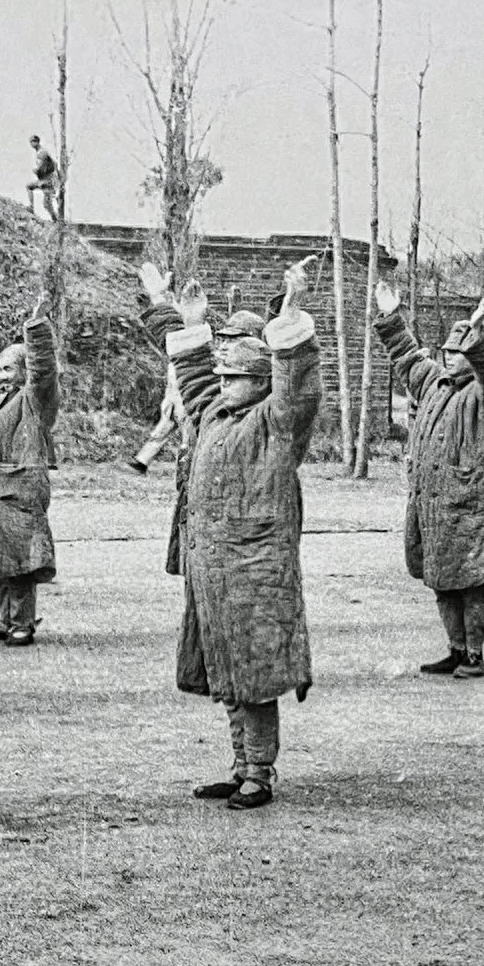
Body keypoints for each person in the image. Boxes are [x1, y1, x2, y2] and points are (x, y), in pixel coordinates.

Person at [165, 256, 321, 811]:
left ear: (261, 382)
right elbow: (192, 382)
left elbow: (299, 383)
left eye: (235, 378)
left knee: (254, 677)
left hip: (255, 573)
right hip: (214, 574)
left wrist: (292, 312)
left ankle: (260, 773)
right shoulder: (215, 414)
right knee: (227, 673)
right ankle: (239, 767)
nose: (224, 384)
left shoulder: (277, 422)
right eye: (223, 376)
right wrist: (191, 323)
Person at [374, 280, 484, 679]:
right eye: (446, 351)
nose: (449, 357)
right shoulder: (432, 384)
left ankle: (474, 655)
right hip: (431, 507)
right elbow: (406, 356)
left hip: (469, 510)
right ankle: (455, 649)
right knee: (441, 580)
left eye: (457, 352)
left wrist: (477, 333)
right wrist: (391, 316)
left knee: (472, 581)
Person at [0, 292, 61, 647]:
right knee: (0, 558)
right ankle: (7, 621)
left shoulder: (35, 399)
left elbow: (44, 368)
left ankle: (22, 623)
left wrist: (36, 327)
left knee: (20, 562)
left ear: (24, 372)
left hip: (18, 493)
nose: (1, 375)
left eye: (9, 369)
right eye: (1, 368)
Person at [27, 135, 59, 220]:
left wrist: (36, 170)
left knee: (47, 204)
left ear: (37, 142)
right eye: (31, 142)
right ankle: (55, 220)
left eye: (33, 142)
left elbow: (41, 166)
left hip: (48, 180)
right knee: (47, 204)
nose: (31, 144)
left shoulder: (42, 152)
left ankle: (56, 220)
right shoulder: (40, 152)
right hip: (44, 180)